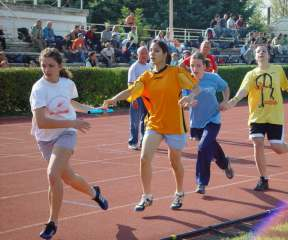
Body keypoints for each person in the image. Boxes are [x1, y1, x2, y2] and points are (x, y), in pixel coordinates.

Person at [103, 40, 199, 211]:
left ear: (165, 54)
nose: (152, 54)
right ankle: (146, 196)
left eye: (156, 51)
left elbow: (195, 88)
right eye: (150, 51)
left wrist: (189, 98)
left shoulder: (175, 72)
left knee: (174, 162)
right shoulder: (146, 76)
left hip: (174, 125)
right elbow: (131, 91)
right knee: (144, 158)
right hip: (154, 123)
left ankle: (179, 192)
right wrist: (113, 99)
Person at [29, 48, 108, 239]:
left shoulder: (67, 84)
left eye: (51, 66)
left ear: (60, 66)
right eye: (43, 65)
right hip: (45, 138)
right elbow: (41, 122)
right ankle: (94, 193)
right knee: (68, 178)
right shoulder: (39, 89)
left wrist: (92, 110)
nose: (46, 70)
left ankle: (52, 222)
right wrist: (73, 121)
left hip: (66, 133)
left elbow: (71, 103)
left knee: (52, 174)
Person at [221, 45, 288, 191]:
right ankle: (264, 179)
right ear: (255, 57)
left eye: (264, 51)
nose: (261, 53)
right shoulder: (251, 74)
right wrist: (231, 102)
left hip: (275, 115)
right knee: (257, 142)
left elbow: (287, 87)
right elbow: (242, 92)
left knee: (277, 148)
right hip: (257, 116)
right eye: (258, 51)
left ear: (268, 55)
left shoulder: (278, 70)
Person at [188, 52, 234, 194]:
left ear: (205, 66)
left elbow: (225, 87)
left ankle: (201, 182)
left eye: (198, 65)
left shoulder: (213, 78)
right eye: (192, 66)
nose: (195, 69)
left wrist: (225, 100)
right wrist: (189, 103)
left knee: (203, 147)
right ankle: (225, 163)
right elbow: (183, 102)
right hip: (196, 123)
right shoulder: (187, 81)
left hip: (213, 120)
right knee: (211, 146)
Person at [127, 46, 151, 150]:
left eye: (146, 53)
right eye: (142, 53)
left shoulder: (149, 66)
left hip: (147, 97)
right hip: (137, 97)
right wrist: (134, 99)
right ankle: (133, 142)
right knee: (135, 121)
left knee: (145, 120)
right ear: (138, 55)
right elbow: (130, 84)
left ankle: (143, 141)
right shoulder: (134, 67)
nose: (144, 55)